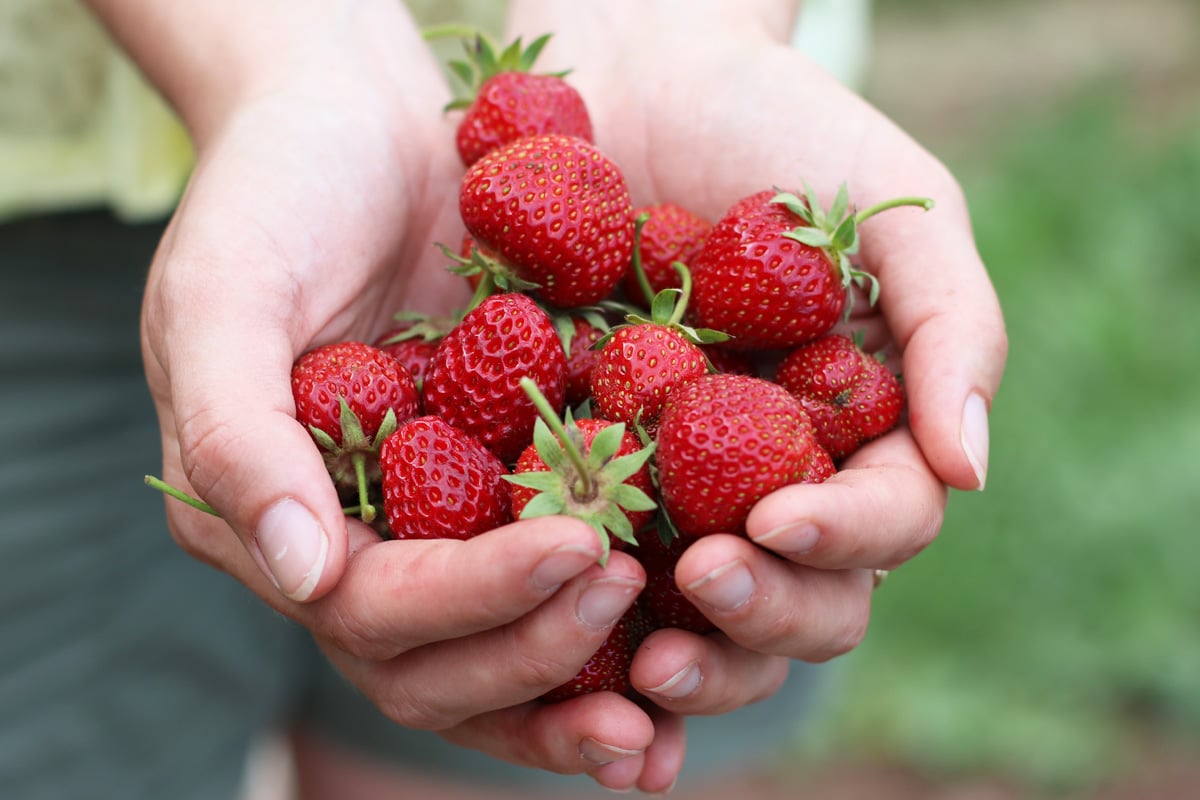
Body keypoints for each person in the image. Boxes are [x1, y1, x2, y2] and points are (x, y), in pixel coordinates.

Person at [0, 0, 1006, 797]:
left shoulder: (625, 335)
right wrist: (279, 62)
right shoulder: (539, 341)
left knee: (555, 709)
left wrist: (679, 21)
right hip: (50, 205)